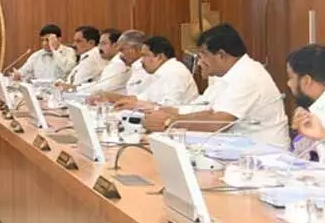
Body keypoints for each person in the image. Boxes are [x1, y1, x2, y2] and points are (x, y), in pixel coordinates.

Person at [143, 23, 288, 148]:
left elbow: (219, 122)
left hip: (264, 156)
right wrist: (171, 116)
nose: (199, 62)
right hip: (243, 147)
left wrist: (170, 121)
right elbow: (210, 113)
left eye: (203, 55)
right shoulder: (230, 74)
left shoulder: (247, 75)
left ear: (221, 55)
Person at [115, 36, 198, 109]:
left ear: (159, 57)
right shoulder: (162, 72)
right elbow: (145, 97)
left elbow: (169, 108)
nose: (141, 60)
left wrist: (136, 105)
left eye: (145, 56)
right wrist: (121, 100)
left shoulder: (174, 73)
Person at [88, 30, 151, 101]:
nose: (120, 56)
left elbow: (144, 99)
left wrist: (112, 97)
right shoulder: (133, 68)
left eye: (122, 50)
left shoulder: (147, 69)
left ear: (134, 49)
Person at [12, 24, 77, 82]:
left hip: (60, 92)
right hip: (39, 92)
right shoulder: (36, 55)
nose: (44, 43)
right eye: (42, 40)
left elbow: (67, 69)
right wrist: (18, 76)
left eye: (48, 40)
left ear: (59, 39)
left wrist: (54, 50)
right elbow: (23, 73)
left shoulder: (69, 52)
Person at [76, 28, 127, 93]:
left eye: (103, 43)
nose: (99, 48)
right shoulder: (114, 61)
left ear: (116, 45)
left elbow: (103, 88)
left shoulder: (119, 63)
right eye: (99, 44)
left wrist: (77, 88)